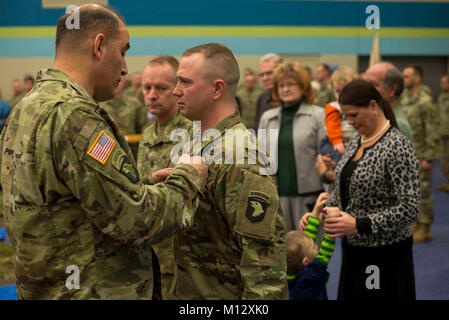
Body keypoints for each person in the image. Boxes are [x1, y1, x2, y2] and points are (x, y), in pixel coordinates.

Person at [0, 4, 208, 300]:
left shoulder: (27, 107)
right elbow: (135, 219)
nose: (125, 67)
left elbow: (65, 200)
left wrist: (142, 185)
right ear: (99, 46)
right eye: (123, 51)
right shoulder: (73, 116)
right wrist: (189, 178)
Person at [171, 43, 287, 299]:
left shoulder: (243, 158)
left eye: (185, 82)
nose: (175, 91)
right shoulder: (197, 142)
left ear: (217, 88)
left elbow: (265, 273)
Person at [301, 79, 419, 300]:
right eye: (345, 115)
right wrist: (319, 215)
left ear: (373, 106)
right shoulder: (357, 141)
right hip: (354, 250)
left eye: (353, 115)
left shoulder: (397, 145)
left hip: (383, 254)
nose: (348, 121)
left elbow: (410, 208)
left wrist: (359, 224)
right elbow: (343, 191)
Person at [137, 55, 192, 299]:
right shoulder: (147, 134)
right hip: (150, 250)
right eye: (147, 88)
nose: (152, 95)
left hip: (182, 252)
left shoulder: (191, 130)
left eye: (161, 88)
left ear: (177, 90)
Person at [259, 61, 325, 232]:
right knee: (282, 252)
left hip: (309, 199)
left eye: (291, 84)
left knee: (309, 252)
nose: (285, 89)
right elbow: (260, 160)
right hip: (276, 198)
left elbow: (325, 159)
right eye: (281, 85)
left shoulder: (318, 115)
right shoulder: (267, 117)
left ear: (303, 87)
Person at [401, 65, 439, 243]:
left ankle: (425, 227)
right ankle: (416, 222)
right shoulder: (405, 99)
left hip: (421, 153)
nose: (404, 79)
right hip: (408, 154)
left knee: (423, 192)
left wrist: (429, 156)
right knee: (412, 192)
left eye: (408, 77)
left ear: (417, 78)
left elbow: (432, 129)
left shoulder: (425, 100)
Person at [286, 192, 335, 300]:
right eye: (314, 247)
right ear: (305, 261)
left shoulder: (289, 274)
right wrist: (331, 224)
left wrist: (316, 210)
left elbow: (306, 241)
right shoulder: (312, 275)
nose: (316, 246)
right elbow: (325, 253)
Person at [363, 62, 412, 141]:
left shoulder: (397, 125)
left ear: (392, 89)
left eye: (372, 84)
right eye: (365, 83)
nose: (365, 89)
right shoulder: (374, 118)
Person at [322, 66, 357, 162]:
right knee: (338, 158)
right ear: (332, 91)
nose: (342, 95)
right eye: (338, 91)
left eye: (346, 90)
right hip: (333, 141)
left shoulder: (357, 106)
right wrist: (337, 142)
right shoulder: (333, 107)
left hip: (352, 141)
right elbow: (332, 126)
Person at [254, 53, 283, 128]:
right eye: (262, 75)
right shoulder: (262, 98)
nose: (265, 78)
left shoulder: (290, 97)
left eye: (269, 73)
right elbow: (259, 130)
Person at [436, 74, 449, 192]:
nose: (442, 85)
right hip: (443, 133)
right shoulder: (441, 97)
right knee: (444, 159)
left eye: (445, 82)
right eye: (442, 82)